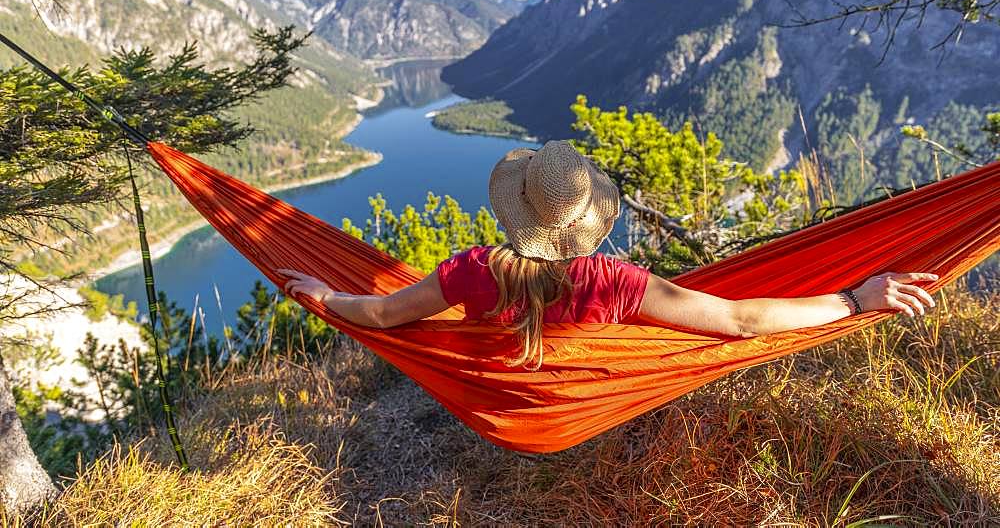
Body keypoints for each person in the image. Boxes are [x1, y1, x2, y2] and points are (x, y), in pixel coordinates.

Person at [278, 141, 936, 369]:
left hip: (498, 401)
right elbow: (742, 321)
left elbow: (388, 315)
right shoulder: (616, 283)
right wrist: (853, 298)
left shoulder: (471, 271)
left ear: (519, 206)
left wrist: (324, 295)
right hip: (578, 406)